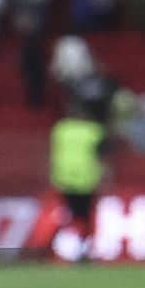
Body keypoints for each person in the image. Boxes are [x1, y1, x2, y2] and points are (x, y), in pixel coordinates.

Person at [46, 99, 105, 263]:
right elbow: (104, 157)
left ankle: (77, 249)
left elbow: (51, 153)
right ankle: (75, 248)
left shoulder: (62, 129)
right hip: (80, 180)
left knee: (74, 215)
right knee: (80, 216)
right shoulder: (93, 131)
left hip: (73, 179)